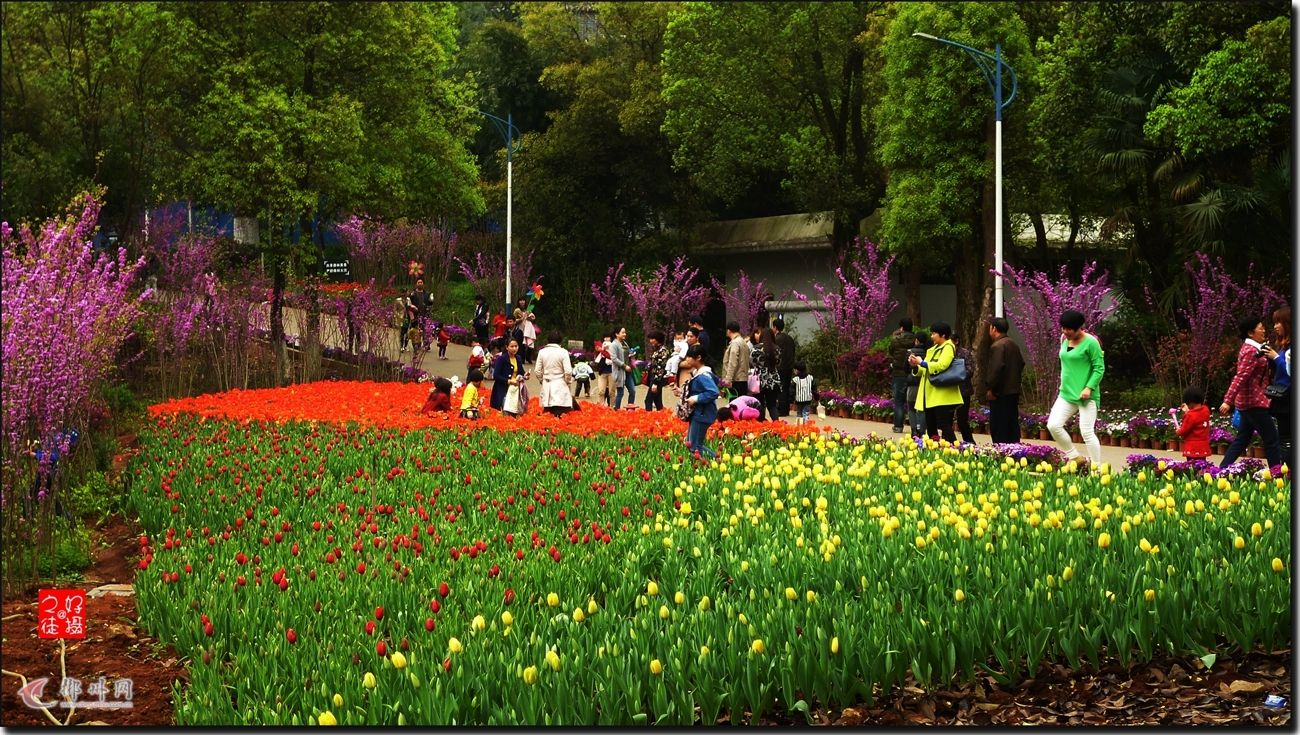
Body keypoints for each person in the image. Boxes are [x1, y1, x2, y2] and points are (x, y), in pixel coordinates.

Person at [1218, 316, 1282, 469]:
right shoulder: (1250, 351)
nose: (1264, 330)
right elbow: (1241, 376)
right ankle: (1277, 474)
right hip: (1254, 402)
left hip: (1250, 402)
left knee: (1243, 438)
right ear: (1251, 332)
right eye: (1260, 327)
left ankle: (1222, 469)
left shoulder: (1255, 349)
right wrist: (1228, 400)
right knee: (1271, 439)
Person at [1046, 309, 1105, 468]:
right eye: (1063, 328)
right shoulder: (1064, 339)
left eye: (1069, 329)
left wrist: (1089, 388)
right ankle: (1074, 456)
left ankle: (1097, 468)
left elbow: (1099, 368)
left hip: (1086, 396)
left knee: (1086, 432)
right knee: (1053, 425)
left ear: (1079, 328)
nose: (1065, 332)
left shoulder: (1091, 343)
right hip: (1066, 393)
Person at [907, 322, 962, 443]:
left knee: (943, 423)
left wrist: (922, 363)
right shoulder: (932, 349)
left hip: (941, 395)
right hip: (930, 394)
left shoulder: (948, 347)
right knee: (930, 424)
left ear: (942, 335)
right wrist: (915, 365)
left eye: (934, 333)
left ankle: (955, 447)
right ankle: (934, 448)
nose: (931, 336)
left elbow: (942, 365)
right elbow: (924, 369)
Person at [982, 316, 1025, 444]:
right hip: (1013, 391)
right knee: (1011, 425)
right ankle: (1015, 451)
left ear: (994, 329)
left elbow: (996, 370)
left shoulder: (998, 346)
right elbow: (1021, 364)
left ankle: (1001, 453)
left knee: (999, 426)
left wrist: (990, 388)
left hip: (1000, 393)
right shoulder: (1013, 344)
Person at [674, 344, 719, 460]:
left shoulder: (704, 375)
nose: (687, 359)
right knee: (691, 444)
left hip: (702, 414)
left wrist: (696, 398)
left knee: (694, 446)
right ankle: (713, 461)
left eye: (689, 357)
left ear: (698, 358)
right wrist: (681, 392)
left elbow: (713, 392)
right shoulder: (699, 374)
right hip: (699, 413)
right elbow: (699, 390)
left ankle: (716, 461)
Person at [1268, 305, 1292, 456]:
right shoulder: (1284, 346)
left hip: (1289, 399)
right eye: (1274, 323)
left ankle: (1287, 473)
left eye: (1279, 322)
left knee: (1286, 440)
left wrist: (1275, 357)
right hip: (1282, 398)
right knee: (1283, 438)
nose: (1275, 326)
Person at [888, 318, 916, 433]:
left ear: (902, 327)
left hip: (898, 373)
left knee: (899, 401)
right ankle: (916, 427)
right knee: (913, 402)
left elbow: (890, 352)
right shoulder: (916, 339)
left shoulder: (895, 340)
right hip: (913, 373)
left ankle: (898, 426)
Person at [749, 327, 782, 421]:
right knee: (772, 406)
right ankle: (777, 426)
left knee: (759, 405)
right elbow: (778, 363)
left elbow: (752, 362)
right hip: (773, 379)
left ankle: (760, 426)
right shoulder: (777, 349)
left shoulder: (756, 349)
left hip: (759, 381)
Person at [535, 338, 575, 417]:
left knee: (548, 415)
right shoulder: (563, 352)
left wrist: (541, 380)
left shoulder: (542, 352)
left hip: (547, 385)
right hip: (560, 385)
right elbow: (568, 371)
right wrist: (567, 381)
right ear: (560, 341)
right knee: (562, 414)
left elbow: (537, 370)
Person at [490, 338, 528, 415]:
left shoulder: (518, 358)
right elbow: (496, 375)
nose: (514, 348)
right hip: (503, 389)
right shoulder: (501, 359)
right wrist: (509, 381)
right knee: (505, 411)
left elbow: (520, 372)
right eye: (512, 346)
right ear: (507, 347)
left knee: (514, 411)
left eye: (516, 346)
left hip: (515, 389)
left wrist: (525, 376)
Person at [1173, 386, 1211, 461]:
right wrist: (1188, 411)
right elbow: (1197, 417)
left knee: (1192, 467)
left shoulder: (1190, 415)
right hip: (1203, 446)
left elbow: (1183, 430)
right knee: (1202, 465)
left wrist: (1178, 432)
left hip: (1192, 448)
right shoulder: (1206, 410)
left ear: (1190, 402)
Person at [951, 334, 975, 443]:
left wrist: (956, 374)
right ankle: (951, 442)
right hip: (949, 390)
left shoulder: (965, 353)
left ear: (956, 341)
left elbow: (970, 370)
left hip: (963, 390)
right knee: (946, 420)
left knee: (962, 420)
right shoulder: (945, 353)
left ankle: (969, 442)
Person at [772, 317, 797, 418]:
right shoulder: (790, 338)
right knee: (786, 387)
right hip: (789, 367)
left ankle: (781, 410)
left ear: (775, 327)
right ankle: (786, 409)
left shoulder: (776, 339)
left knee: (780, 388)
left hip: (779, 367)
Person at [720, 321, 751, 398]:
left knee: (734, 406)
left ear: (729, 331)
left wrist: (728, 379)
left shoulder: (735, 343)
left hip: (736, 379)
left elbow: (732, 362)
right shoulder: (743, 342)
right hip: (743, 378)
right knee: (742, 405)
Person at [644, 331, 671, 411]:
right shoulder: (657, 350)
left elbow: (661, 368)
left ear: (658, 340)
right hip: (653, 377)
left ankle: (649, 419)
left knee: (648, 400)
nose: (651, 341)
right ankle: (662, 418)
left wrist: (655, 383)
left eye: (653, 339)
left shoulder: (663, 351)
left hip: (657, 379)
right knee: (657, 401)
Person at [906, 333, 927, 438]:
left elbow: (905, 368)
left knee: (911, 407)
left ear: (917, 340)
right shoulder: (928, 352)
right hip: (924, 385)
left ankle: (914, 430)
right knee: (922, 408)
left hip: (912, 384)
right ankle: (922, 430)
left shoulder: (910, 352)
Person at [609, 327, 633, 409]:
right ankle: (617, 410)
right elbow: (614, 359)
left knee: (632, 391)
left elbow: (626, 354)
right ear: (617, 334)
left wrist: (631, 355)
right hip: (620, 372)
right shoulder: (613, 345)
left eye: (625, 332)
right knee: (620, 393)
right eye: (622, 332)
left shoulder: (625, 343)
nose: (624, 334)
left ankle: (630, 409)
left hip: (628, 371)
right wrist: (624, 366)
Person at [790, 361, 818, 426]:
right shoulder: (811, 378)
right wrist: (816, 398)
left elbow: (792, 391)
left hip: (799, 400)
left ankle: (799, 426)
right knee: (806, 413)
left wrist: (791, 401)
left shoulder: (795, 380)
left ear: (797, 370)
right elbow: (814, 389)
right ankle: (806, 426)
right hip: (808, 400)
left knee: (799, 414)